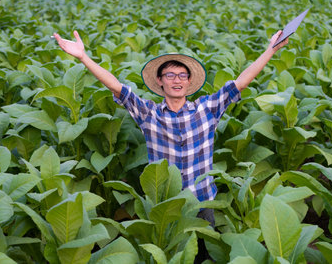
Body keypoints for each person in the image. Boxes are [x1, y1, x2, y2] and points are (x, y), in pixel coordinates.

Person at [53, 30, 288, 261]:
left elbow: (241, 83)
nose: (177, 80)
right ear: (160, 81)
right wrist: (83, 57)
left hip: (202, 202)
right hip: (168, 204)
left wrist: (271, 50)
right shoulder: (149, 113)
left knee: (204, 256)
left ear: (189, 81)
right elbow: (117, 87)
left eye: (182, 75)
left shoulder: (207, 109)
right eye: (170, 75)